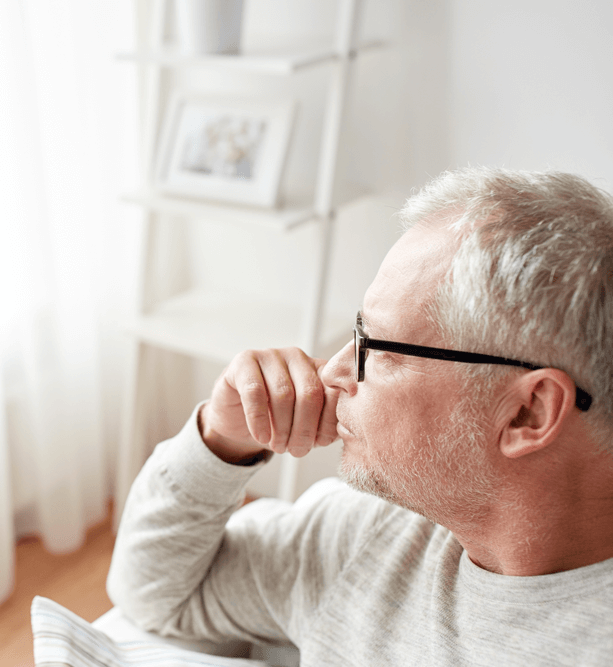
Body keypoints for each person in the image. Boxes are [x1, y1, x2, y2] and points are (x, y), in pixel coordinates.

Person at [107, 167, 613, 665]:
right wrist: (220, 443)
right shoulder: (363, 535)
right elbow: (155, 593)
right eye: (356, 330)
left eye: (380, 347)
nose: (331, 370)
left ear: (528, 412)